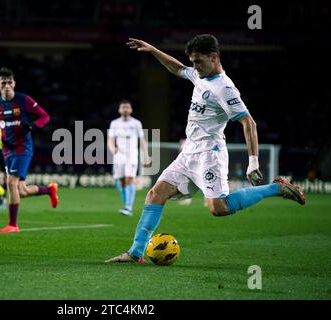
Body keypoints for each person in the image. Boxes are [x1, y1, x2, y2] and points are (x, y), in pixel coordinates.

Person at [106, 34, 306, 263]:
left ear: (213, 57)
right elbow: (177, 68)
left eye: (198, 61)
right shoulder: (200, 74)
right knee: (155, 194)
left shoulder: (225, 88)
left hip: (210, 153)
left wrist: (253, 163)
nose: (195, 66)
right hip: (189, 151)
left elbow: (248, 123)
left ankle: (275, 188)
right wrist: (152, 49)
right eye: (193, 61)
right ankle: (136, 253)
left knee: (218, 208)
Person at [0, 67, 59, 233]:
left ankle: (13, 225)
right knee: (21, 191)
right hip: (6, 150)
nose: (7, 86)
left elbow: (45, 116)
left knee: (10, 183)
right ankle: (49, 190)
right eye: (3, 83)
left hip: (23, 148)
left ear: (14, 83)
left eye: (10, 82)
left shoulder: (23, 100)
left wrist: (33, 125)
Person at [107, 100, 150, 216]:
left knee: (129, 179)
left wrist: (146, 156)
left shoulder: (136, 123)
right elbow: (110, 139)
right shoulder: (114, 123)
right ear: (119, 110)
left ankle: (128, 207)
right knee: (122, 182)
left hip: (131, 155)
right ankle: (126, 205)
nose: (125, 109)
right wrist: (113, 149)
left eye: (127, 107)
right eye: (123, 107)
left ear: (130, 110)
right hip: (119, 156)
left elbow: (142, 140)